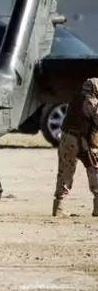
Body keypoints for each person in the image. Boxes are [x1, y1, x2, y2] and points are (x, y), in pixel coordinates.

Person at [53, 77, 98, 217]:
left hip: (66, 139)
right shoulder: (92, 102)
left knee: (65, 171)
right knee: (94, 169)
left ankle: (59, 207)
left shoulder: (75, 99)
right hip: (83, 141)